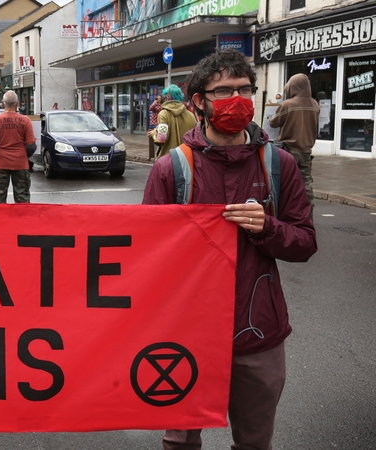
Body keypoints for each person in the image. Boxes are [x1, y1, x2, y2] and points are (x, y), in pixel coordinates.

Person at [142, 49, 317, 450]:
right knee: (180, 441)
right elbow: (147, 257)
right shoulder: (171, 169)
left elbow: (305, 242)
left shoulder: (280, 165)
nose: (237, 99)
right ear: (198, 101)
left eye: (245, 90)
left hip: (257, 334)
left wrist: (267, 228)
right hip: (186, 335)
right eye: (223, 91)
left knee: (255, 443)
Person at [269, 74, 320, 208]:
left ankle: (286, 214)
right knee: (306, 186)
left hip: (288, 150)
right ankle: (307, 217)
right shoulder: (315, 104)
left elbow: (273, 122)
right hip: (305, 152)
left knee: (285, 185)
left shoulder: (287, 104)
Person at [0, 90, 36, 203]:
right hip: (20, 163)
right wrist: (22, 155)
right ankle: (23, 220)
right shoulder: (25, 121)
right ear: (17, 103)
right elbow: (32, 146)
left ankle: (0, 220)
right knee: (22, 199)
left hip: (0, 164)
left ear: (3, 103)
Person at [152, 85, 198, 159]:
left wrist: (154, 133)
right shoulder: (191, 115)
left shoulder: (164, 113)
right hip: (187, 159)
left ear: (167, 97)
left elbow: (161, 138)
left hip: (168, 160)